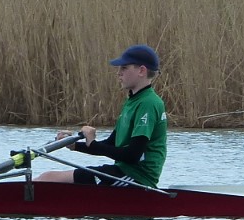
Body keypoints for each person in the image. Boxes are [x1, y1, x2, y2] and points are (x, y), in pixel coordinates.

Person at [39, 44, 168, 188]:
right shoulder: (132, 101)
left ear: (141, 71)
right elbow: (110, 144)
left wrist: (93, 144)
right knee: (47, 177)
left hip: (138, 179)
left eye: (124, 68)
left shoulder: (149, 103)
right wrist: (74, 145)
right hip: (123, 172)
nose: (118, 73)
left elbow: (132, 155)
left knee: (48, 179)